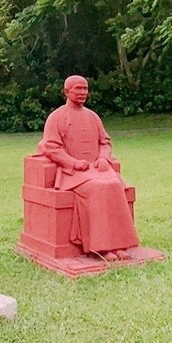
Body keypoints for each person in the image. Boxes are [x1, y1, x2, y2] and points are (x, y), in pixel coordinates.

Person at [36, 75, 140, 261]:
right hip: (72, 173)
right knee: (97, 189)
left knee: (115, 186)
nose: (83, 92)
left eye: (85, 89)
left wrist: (103, 157)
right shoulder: (56, 117)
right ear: (67, 91)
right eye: (78, 88)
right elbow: (51, 147)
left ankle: (119, 245)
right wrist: (72, 162)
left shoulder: (93, 116)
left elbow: (105, 142)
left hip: (98, 169)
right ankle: (102, 247)